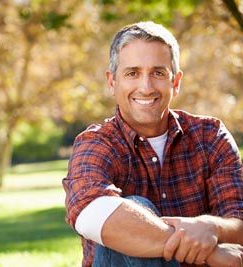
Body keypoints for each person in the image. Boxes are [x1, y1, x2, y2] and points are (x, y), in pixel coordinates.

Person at [62, 21, 243, 267]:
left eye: (158, 73)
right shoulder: (96, 143)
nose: (146, 88)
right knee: (134, 210)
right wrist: (207, 251)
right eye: (132, 73)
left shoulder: (210, 137)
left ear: (175, 82)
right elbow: (91, 213)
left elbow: (239, 221)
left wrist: (211, 226)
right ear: (112, 81)